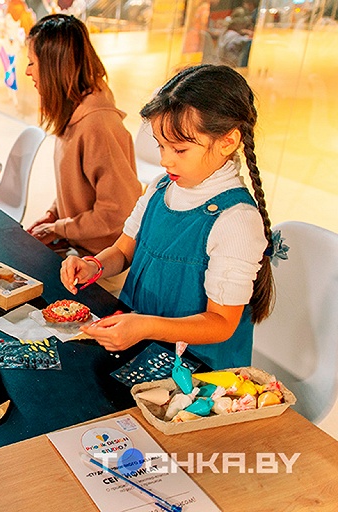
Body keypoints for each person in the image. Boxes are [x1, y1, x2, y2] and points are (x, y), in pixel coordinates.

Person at [61, 64, 275, 371]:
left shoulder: (236, 221)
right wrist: (93, 265)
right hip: (142, 349)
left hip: (198, 373)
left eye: (179, 149)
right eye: (161, 146)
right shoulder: (162, 187)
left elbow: (221, 323)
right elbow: (123, 251)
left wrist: (145, 326)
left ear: (228, 141)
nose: (164, 159)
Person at [24, 15, 141, 262]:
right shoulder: (74, 113)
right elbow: (78, 188)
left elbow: (117, 213)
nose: (27, 71)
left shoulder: (98, 125)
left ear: (54, 67)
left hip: (101, 261)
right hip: (76, 245)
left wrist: (60, 228)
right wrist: (53, 215)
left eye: (32, 63)